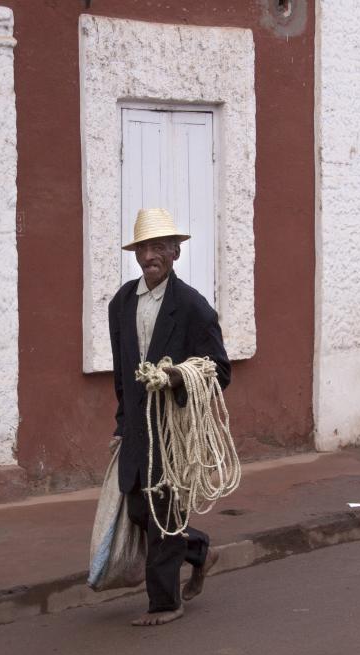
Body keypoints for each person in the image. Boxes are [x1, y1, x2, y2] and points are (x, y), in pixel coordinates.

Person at [108, 207, 230, 626]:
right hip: (136, 427)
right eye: (143, 247)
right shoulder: (122, 303)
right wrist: (122, 424)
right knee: (139, 507)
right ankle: (198, 550)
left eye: (158, 247)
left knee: (161, 510)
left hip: (172, 426)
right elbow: (122, 373)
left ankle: (166, 603)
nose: (149, 256)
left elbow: (220, 369)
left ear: (175, 253)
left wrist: (177, 375)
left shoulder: (193, 307)